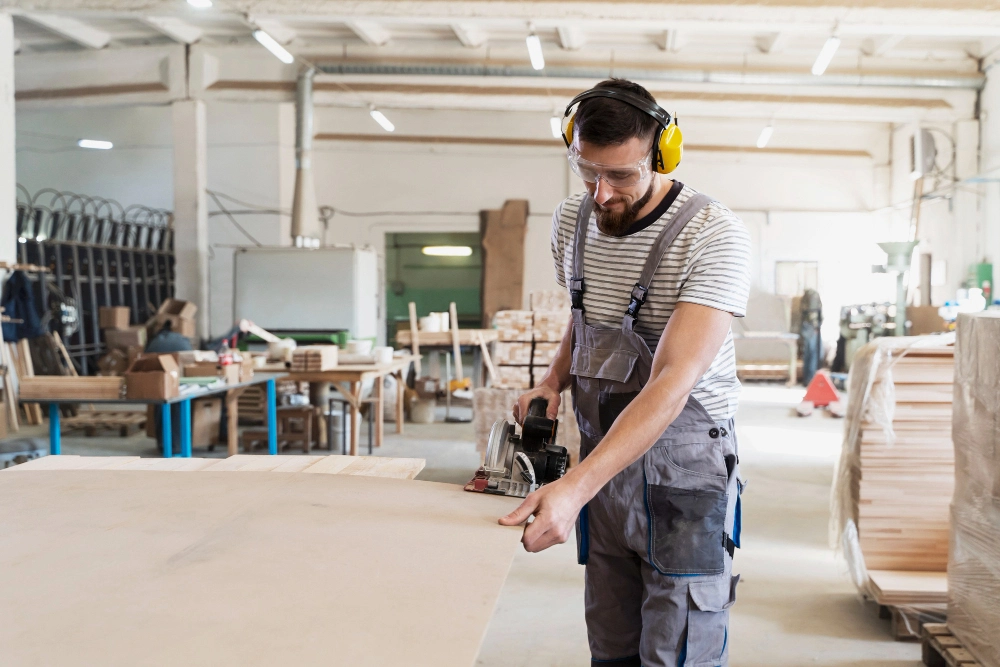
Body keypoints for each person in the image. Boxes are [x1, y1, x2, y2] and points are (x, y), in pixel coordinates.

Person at [499, 79, 751, 667]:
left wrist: (573, 489)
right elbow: (585, 315)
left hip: (683, 471)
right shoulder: (572, 220)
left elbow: (672, 381)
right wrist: (552, 381)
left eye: (622, 176)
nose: (602, 193)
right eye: (588, 173)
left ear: (662, 155)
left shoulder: (713, 235)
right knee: (611, 647)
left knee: (674, 649)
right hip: (602, 459)